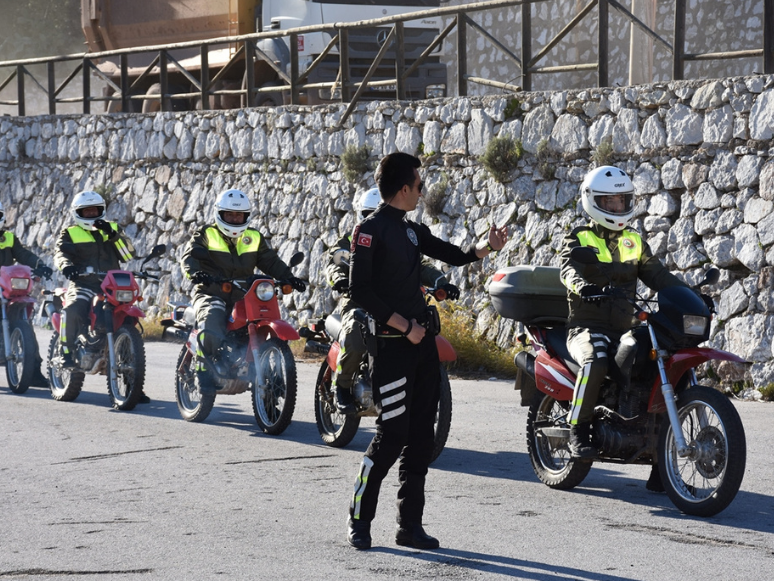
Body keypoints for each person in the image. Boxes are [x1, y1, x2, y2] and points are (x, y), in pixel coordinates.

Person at [345, 152, 508, 550]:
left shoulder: (412, 230)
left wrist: (485, 247)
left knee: (421, 440)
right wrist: (404, 327)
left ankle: (409, 527)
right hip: (392, 347)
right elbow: (359, 291)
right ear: (403, 189)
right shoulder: (368, 230)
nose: (423, 190)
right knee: (391, 437)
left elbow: (452, 253)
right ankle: (359, 519)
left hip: (423, 349)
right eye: (419, 185)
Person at [559, 165, 688, 490]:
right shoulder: (579, 237)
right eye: (610, 201)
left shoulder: (634, 241)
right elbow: (567, 268)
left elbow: (660, 277)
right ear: (593, 201)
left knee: (662, 371)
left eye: (621, 200)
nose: (617, 207)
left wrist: (689, 294)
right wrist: (583, 286)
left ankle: (662, 461)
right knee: (596, 359)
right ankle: (578, 429)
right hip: (586, 327)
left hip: (626, 329)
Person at [326, 187, 460, 414]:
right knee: (355, 337)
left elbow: (421, 266)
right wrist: (340, 280)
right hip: (360, 303)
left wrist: (440, 282)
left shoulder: (403, 238)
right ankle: (343, 387)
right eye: (372, 213)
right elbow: (335, 263)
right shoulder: (352, 239)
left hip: (398, 303)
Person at [180, 188, 306, 391]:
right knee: (212, 316)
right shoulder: (206, 234)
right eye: (229, 214)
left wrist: (289, 278)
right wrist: (195, 273)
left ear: (246, 216)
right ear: (220, 214)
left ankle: (266, 390)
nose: (234, 219)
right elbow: (189, 258)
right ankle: (203, 370)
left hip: (244, 295)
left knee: (261, 319)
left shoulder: (253, 237)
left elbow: (271, 262)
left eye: (239, 215)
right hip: (211, 291)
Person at [53, 191, 143, 387]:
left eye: (95, 210)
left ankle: (133, 385)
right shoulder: (70, 233)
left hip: (111, 285)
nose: (92, 214)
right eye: (87, 211)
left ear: (102, 210)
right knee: (73, 308)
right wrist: (67, 266)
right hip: (84, 284)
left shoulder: (112, 229)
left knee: (127, 318)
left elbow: (128, 255)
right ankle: (66, 352)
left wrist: (112, 235)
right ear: (78, 213)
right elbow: (60, 253)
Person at [0, 200, 53, 387]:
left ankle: (33, 372)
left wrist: (40, 265)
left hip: (6, 288)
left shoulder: (8, 238)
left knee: (25, 326)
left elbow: (24, 255)